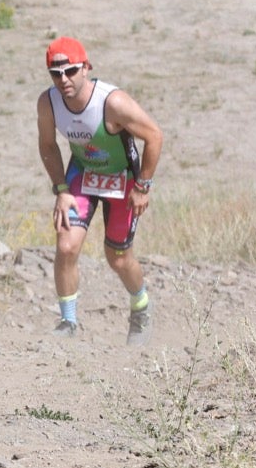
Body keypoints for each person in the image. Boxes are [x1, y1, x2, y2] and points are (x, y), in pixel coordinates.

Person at [36, 37, 163, 345]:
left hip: (123, 181)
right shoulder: (48, 102)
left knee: (118, 257)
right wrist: (61, 189)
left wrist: (143, 186)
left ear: (87, 68)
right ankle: (68, 321)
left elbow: (154, 136)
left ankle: (141, 309)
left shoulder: (112, 102)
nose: (64, 79)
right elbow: (48, 144)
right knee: (66, 246)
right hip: (83, 175)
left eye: (71, 71)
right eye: (56, 73)